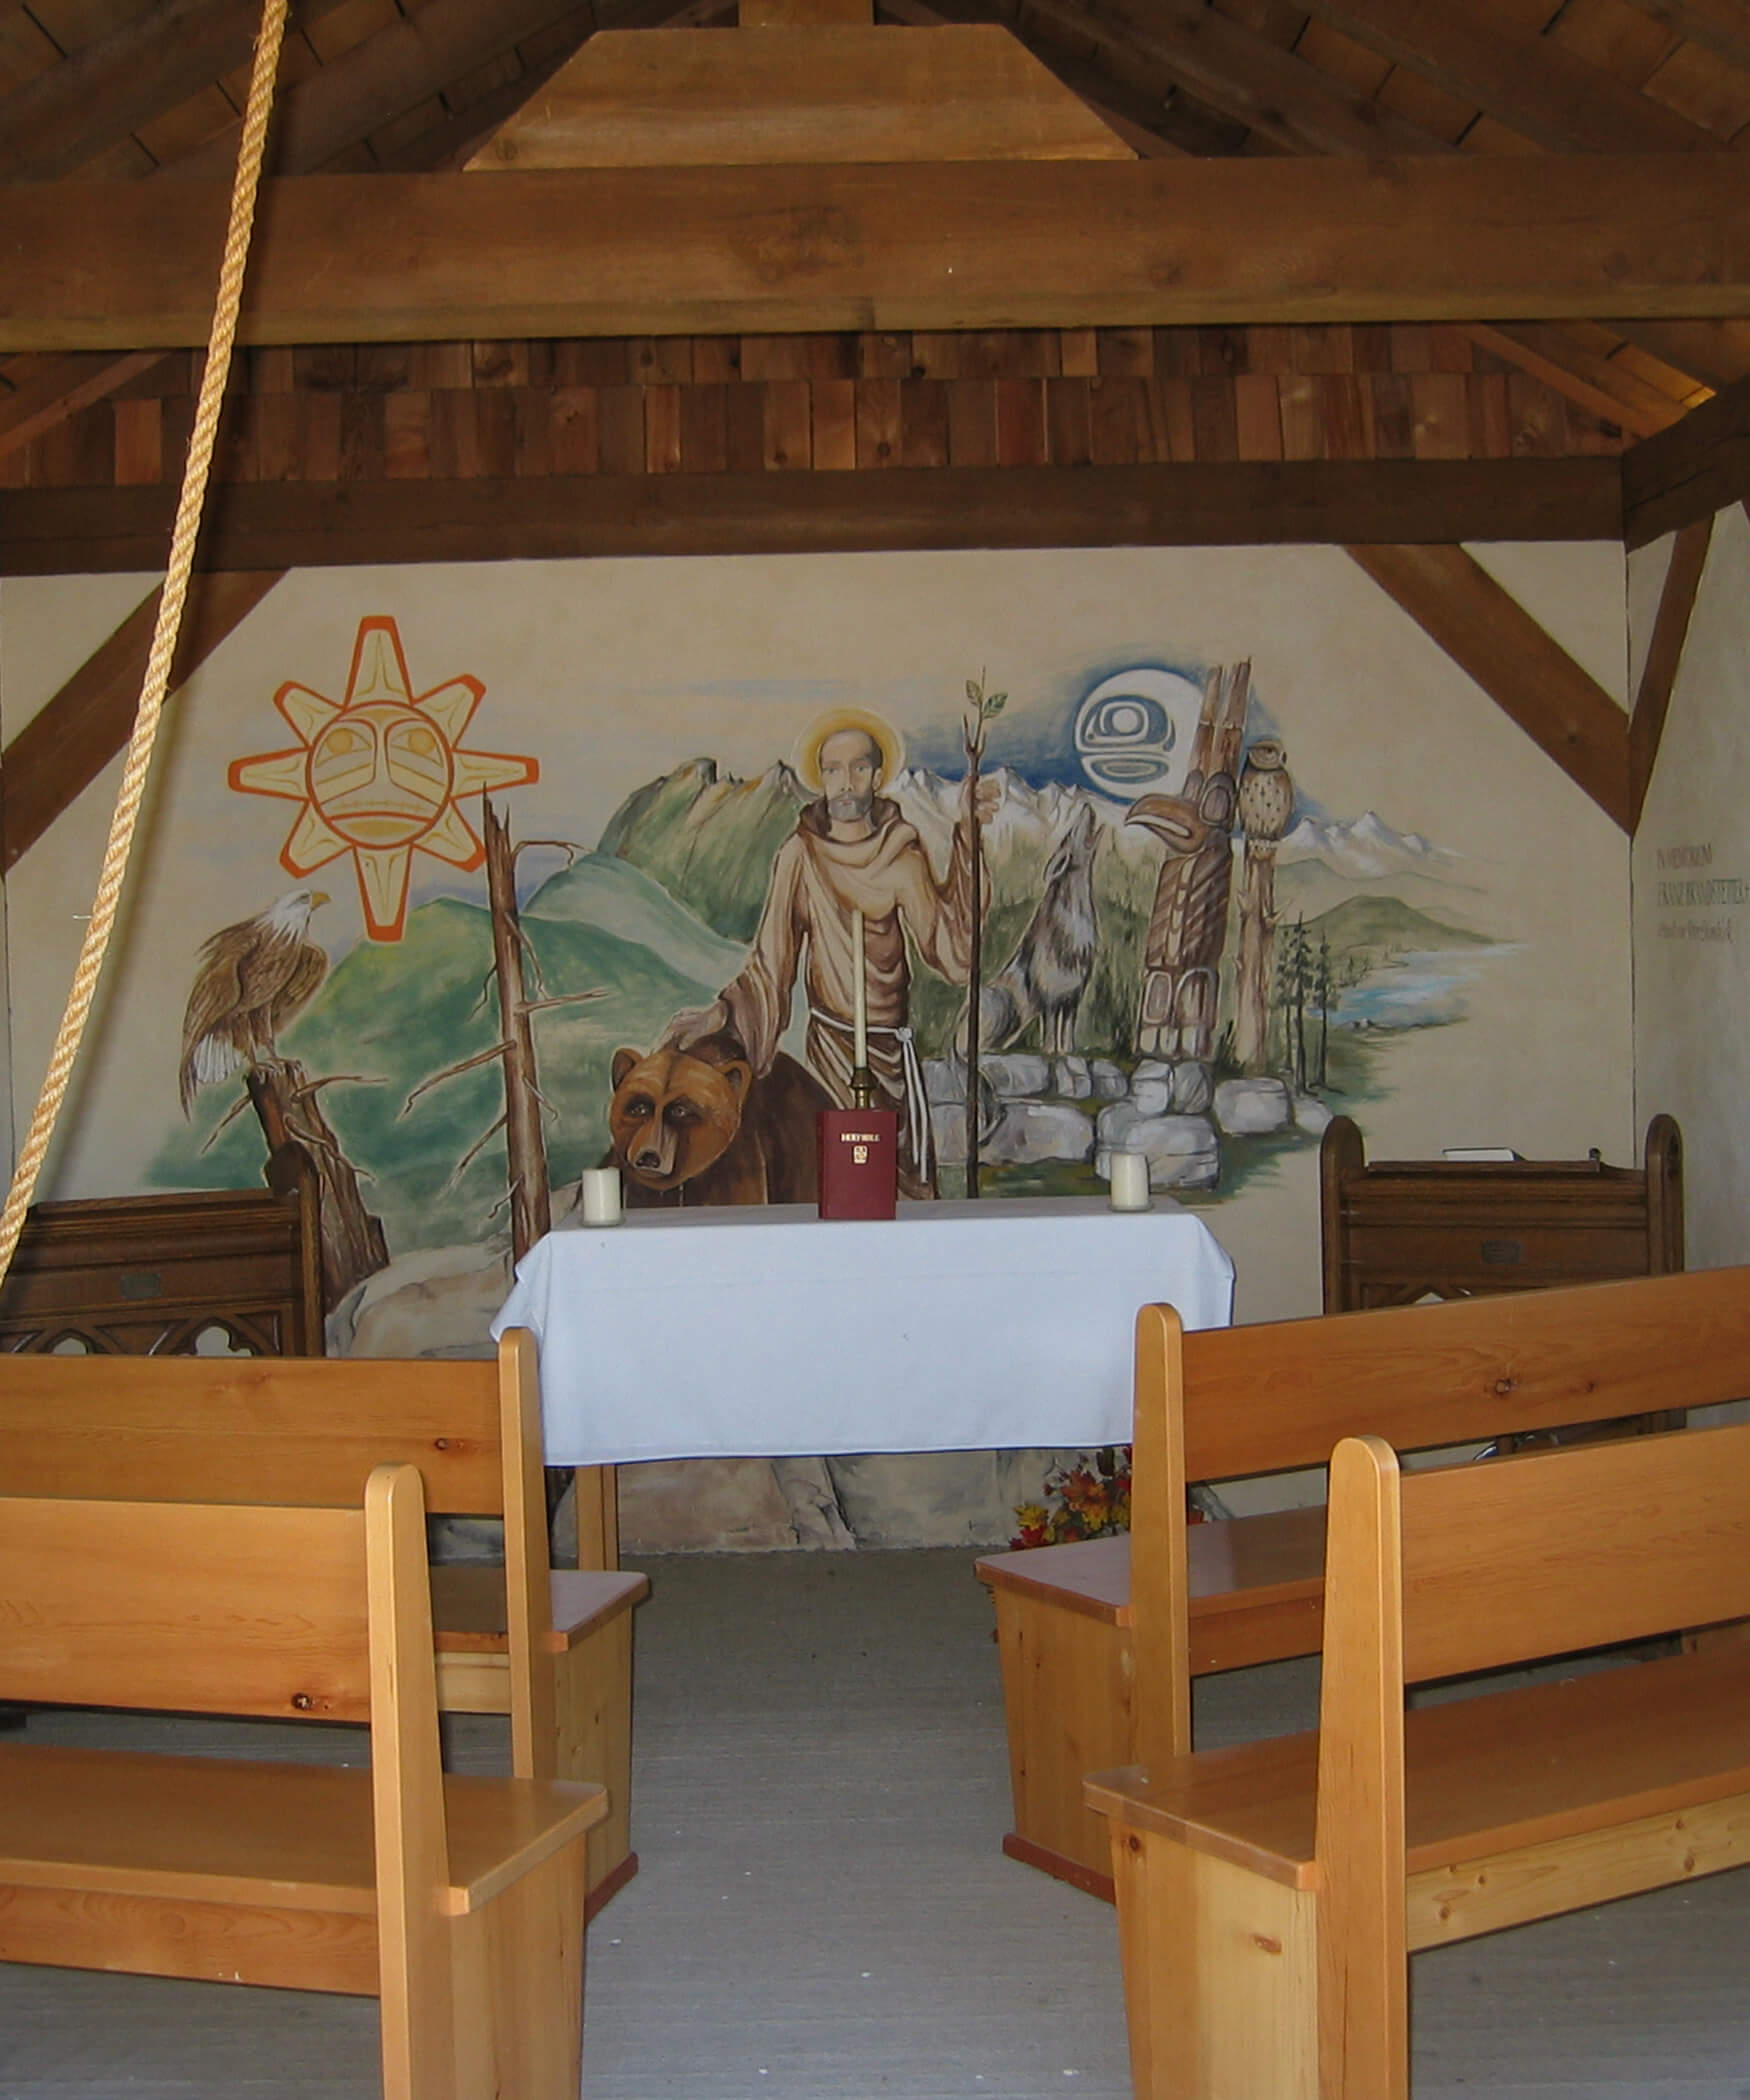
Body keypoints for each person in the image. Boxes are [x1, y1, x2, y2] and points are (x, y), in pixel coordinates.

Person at [664, 708, 996, 1198]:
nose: (845, 782)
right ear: (820, 779)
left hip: (889, 1054)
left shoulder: (901, 857)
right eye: (834, 770)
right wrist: (723, 1013)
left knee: (895, 1189)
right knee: (830, 1177)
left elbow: (951, 952)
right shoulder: (799, 856)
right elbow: (770, 965)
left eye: (858, 768)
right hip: (828, 1053)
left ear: (878, 777)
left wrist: (969, 837)